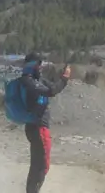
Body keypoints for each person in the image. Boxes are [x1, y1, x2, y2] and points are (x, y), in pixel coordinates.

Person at [18, 52, 71, 193]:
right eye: (38, 64)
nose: (40, 67)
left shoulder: (36, 80)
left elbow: (53, 86)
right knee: (42, 165)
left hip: (35, 127)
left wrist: (61, 78)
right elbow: (52, 91)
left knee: (36, 165)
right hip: (38, 127)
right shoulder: (28, 81)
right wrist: (65, 78)